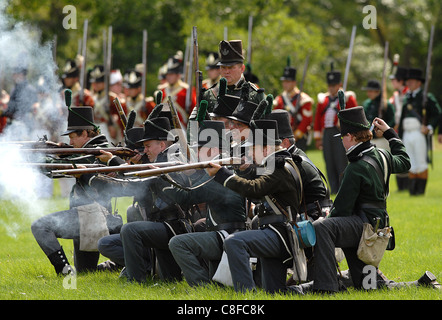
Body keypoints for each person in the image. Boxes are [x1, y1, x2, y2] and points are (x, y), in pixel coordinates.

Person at [308, 107, 411, 293]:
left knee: (321, 227)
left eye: (342, 137)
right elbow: (405, 161)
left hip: (363, 227)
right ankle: (419, 284)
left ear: (351, 136)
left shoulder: (355, 167)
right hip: (377, 226)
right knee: (367, 286)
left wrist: (328, 217)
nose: (341, 142)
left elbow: (342, 209)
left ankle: (327, 288)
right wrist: (390, 133)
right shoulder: (383, 155)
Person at [206, 119, 303, 293]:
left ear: (266, 149)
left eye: (253, 148)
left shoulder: (278, 167)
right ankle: (308, 290)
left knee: (234, 242)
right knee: (275, 293)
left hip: (279, 233)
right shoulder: (276, 164)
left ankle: (246, 296)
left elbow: (255, 189)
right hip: (274, 231)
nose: (250, 153)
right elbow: (259, 188)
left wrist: (222, 174)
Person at [31, 106, 122, 274]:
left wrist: (38, 158)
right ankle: (116, 265)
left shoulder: (95, 152)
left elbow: (58, 170)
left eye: (73, 137)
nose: (71, 142)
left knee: (40, 227)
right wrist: (59, 152)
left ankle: (64, 271)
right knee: (87, 272)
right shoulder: (89, 150)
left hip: (91, 216)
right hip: (87, 216)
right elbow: (73, 159)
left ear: (85, 134)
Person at [168, 120, 247, 287]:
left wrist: (163, 180)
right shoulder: (221, 169)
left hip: (227, 233)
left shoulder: (219, 173)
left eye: (199, 149)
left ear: (213, 150)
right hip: (222, 230)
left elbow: (186, 197)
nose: (196, 154)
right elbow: (199, 188)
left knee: (177, 243)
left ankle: (201, 286)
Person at [120, 117, 194, 283]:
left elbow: (177, 188)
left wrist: (114, 162)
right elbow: (136, 190)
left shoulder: (173, 160)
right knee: (170, 280)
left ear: (161, 145)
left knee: (129, 230)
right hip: (160, 223)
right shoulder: (160, 160)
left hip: (174, 225)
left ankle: (136, 281)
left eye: (147, 146)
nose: (144, 150)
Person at [313, 63, 357, 194]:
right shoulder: (324, 100)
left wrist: (345, 123)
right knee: (329, 161)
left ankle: (343, 188)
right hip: (327, 133)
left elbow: (355, 115)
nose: (331, 88)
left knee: (340, 161)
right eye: (330, 86)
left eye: (334, 86)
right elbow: (317, 119)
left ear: (339, 84)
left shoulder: (348, 98)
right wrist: (318, 137)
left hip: (341, 133)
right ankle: (333, 188)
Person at [398, 68, 441, 195]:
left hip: (418, 132)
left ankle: (420, 191)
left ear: (419, 83)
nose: (409, 83)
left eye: (412, 81)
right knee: (410, 160)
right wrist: (399, 135)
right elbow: (402, 118)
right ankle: (413, 190)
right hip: (407, 132)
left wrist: (429, 127)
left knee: (421, 161)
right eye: (408, 81)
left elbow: (437, 114)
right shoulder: (407, 97)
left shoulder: (426, 97)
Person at [201, 40, 265, 113]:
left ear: (242, 68)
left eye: (231, 67)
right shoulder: (209, 95)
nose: (227, 71)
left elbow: (265, 122)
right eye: (223, 67)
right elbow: (195, 122)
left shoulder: (255, 95)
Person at [273, 65, 313, 151]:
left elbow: (306, 120)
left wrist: (296, 135)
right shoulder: (279, 99)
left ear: (294, 83)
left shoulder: (303, 99)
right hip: (283, 138)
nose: (285, 84)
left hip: (299, 137)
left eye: (288, 81)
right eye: (284, 81)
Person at [90, 64, 127, 144]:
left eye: (98, 82)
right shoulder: (92, 98)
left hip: (110, 134)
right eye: (95, 82)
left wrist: (113, 125)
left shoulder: (112, 98)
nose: (95, 84)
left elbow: (123, 120)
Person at [160, 51, 196, 128]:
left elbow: (194, 110)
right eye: (168, 74)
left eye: (171, 74)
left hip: (182, 128)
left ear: (178, 75)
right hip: (165, 128)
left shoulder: (186, 90)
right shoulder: (162, 90)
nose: (169, 77)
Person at [388, 66, 409, 190]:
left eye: (394, 80)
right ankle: (401, 185)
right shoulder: (395, 95)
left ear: (400, 80)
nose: (392, 82)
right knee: (397, 153)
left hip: (407, 127)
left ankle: (408, 184)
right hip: (397, 128)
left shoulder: (408, 93)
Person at [361, 79, 395, 150]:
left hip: (383, 139)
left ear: (377, 92)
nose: (368, 93)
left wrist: (384, 131)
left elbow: (393, 121)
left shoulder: (386, 104)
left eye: (371, 91)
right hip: (369, 139)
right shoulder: (366, 104)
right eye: (368, 91)